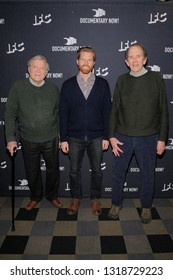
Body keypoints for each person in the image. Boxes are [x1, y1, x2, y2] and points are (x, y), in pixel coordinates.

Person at [108, 42, 169, 224]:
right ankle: (116, 203)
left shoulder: (156, 78)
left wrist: (162, 139)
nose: (134, 60)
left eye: (138, 56)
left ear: (145, 59)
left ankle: (146, 207)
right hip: (122, 136)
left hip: (149, 137)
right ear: (127, 62)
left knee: (148, 174)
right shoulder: (122, 80)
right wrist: (111, 136)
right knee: (118, 173)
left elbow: (163, 110)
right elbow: (114, 110)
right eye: (131, 57)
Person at [4, 55, 63, 210]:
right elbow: (10, 114)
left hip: (51, 138)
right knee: (32, 170)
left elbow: (58, 113)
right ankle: (35, 196)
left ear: (47, 71)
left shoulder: (53, 89)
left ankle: (52, 195)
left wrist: (60, 134)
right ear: (29, 69)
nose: (38, 70)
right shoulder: (18, 87)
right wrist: (10, 139)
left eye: (42, 68)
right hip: (28, 139)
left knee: (53, 169)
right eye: (35, 67)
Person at [60, 46, 111, 216]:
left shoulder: (103, 84)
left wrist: (106, 136)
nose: (86, 62)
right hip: (74, 137)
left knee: (97, 170)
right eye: (83, 59)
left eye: (89, 59)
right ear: (77, 61)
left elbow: (107, 112)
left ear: (94, 62)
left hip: (97, 136)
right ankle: (76, 198)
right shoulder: (67, 85)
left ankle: (95, 198)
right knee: (74, 170)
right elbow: (63, 113)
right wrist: (63, 138)